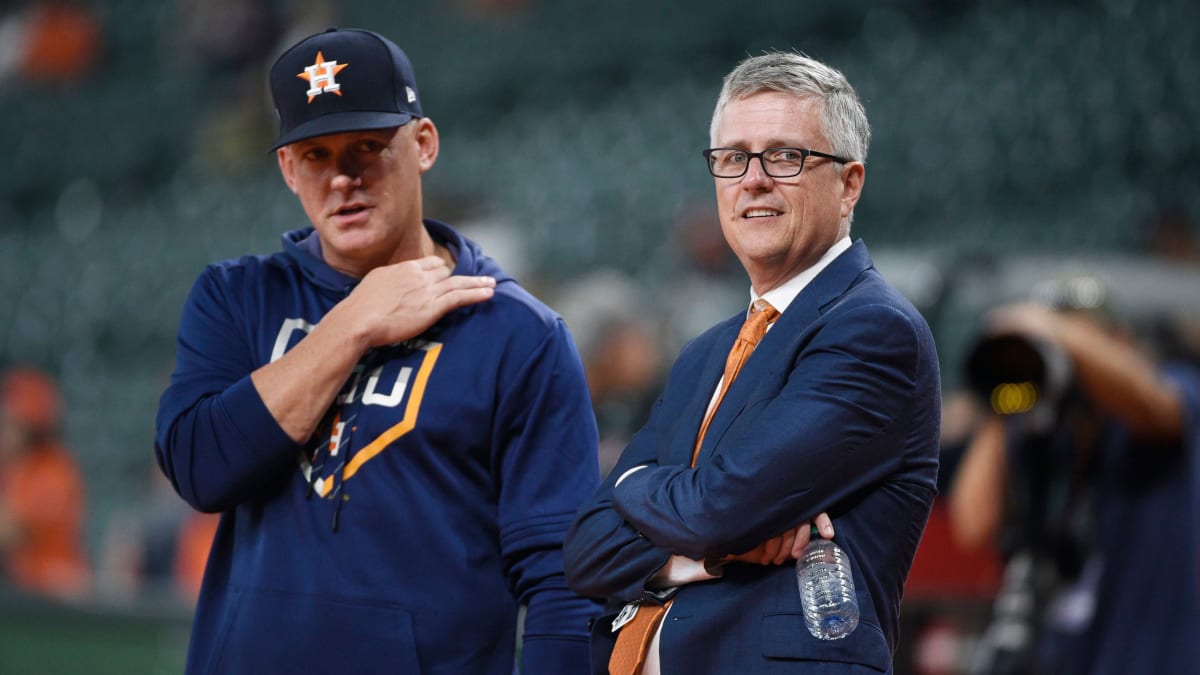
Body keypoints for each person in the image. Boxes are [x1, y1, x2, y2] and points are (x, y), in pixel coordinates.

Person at [155, 27, 601, 674]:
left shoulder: (518, 334)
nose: (343, 178)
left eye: (368, 146)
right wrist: (355, 321)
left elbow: (562, 581)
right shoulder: (235, 296)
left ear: (423, 144)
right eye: (315, 154)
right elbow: (200, 468)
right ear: (286, 167)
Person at [563, 51, 942, 674]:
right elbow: (585, 549)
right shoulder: (703, 353)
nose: (753, 179)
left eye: (786, 156)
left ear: (849, 184)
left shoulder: (874, 329)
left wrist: (634, 487)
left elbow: (718, 509)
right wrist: (707, 553)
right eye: (733, 157)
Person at [947, 296, 1200, 675]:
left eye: (1085, 340)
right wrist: (1007, 385)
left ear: (1120, 343)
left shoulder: (1170, 389)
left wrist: (1053, 328)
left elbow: (1155, 405)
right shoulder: (1040, 430)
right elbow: (973, 525)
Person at [0, 366, 91, 599]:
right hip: (21, 594)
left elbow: (12, 532)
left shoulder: (54, 470)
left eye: (11, 423)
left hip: (54, 600)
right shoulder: (14, 468)